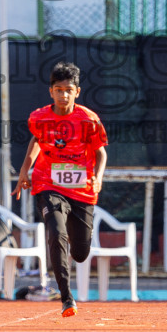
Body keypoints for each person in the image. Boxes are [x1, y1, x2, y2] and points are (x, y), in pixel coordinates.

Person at [13, 61, 109, 318]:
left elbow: (101, 153)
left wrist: (98, 178)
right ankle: (67, 298)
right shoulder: (39, 117)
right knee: (56, 234)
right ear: (51, 91)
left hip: (82, 190)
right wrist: (25, 170)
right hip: (48, 184)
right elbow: (36, 139)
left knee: (80, 252)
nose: (63, 94)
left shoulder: (89, 120)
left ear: (77, 92)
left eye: (68, 89)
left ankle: (74, 262)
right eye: (58, 89)